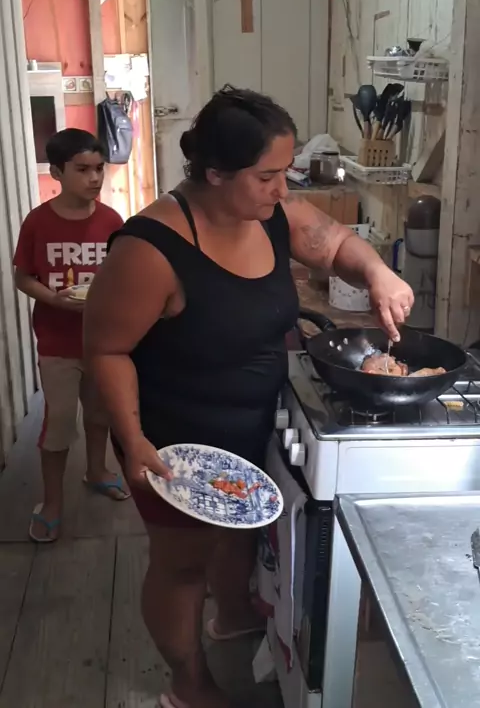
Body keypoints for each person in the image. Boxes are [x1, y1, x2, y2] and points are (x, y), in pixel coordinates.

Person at [84, 87, 413, 708]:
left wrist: (377, 271)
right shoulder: (150, 249)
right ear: (214, 173)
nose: (283, 190)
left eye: (285, 172)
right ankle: (189, 685)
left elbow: (334, 242)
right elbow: (105, 350)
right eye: (267, 176)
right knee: (182, 565)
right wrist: (131, 440)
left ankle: (233, 616)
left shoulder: (272, 215)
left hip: (254, 422)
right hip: (176, 444)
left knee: (237, 535)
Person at [14, 128, 130, 543]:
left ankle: (97, 470)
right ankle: (52, 502)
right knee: (60, 421)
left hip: (102, 342)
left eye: (99, 168)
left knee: (100, 414)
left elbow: (122, 275)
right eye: (82, 170)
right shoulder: (38, 221)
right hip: (57, 343)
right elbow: (23, 277)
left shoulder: (112, 221)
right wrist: (54, 300)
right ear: (57, 172)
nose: (95, 178)